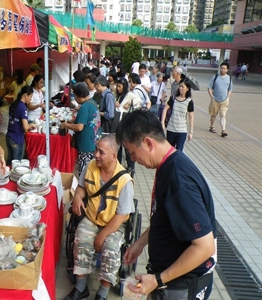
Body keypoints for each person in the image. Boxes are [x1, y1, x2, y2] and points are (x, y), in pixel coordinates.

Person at [116, 110, 217, 300]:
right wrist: (140, 243)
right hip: (168, 279)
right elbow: (165, 217)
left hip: (182, 285)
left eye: (132, 152)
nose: (133, 159)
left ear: (148, 143)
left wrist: (158, 280)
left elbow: (205, 246)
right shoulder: (167, 164)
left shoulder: (178, 180)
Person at [63, 134, 135, 300]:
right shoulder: (90, 166)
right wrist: (78, 197)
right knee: (81, 239)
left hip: (113, 224)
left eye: (101, 152)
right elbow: (81, 187)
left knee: (111, 249)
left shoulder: (125, 181)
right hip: (91, 218)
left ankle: (102, 293)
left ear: (113, 156)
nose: (96, 154)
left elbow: (121, 215)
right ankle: (81, 287)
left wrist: (102, 236)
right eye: (96, 150)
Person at [60, 82, 101, 177]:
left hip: (86, 145)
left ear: (79, 95)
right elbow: (87, 118)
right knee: (91, 170)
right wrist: (73, 120)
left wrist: (66, 125)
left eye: (74, 95)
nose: (75, 98)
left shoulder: (84, 107)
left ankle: (86, 190)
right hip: (93, 141)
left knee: (84, 174)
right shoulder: (92, 102)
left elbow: (79, 127)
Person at [6, 86, 37, 165]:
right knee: (17, 165)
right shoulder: (22, 107)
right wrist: (33, 125)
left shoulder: (14, 104)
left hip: (9, 136)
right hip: (17, 138)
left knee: (10, 162)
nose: (30, 99)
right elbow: (26, 127)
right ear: (25, 95)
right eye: (30, 97)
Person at [161, 79, 194, 151]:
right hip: (171, 129)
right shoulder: (173, 98)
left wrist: (191, 132)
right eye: (180, 86)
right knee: (169, 150)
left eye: (183, 87)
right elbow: (165, 109)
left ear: (187, 89)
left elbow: (191, 117)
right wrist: (162, 122)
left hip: (182, 131)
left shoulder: (189, 101)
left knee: (179, 151)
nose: (180, 88)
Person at [207, 62, 233, 137]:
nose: (222, 70)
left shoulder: (229, 78)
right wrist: (212, 96)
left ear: (227, 70)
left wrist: (228, 96)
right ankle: (212, 126)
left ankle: (223, 130)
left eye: (224, 68)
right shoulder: (215, 77)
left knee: (223, 115)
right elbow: (209, 87)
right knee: (214, 115)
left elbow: (230, 89)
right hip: (215, 99)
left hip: (224, 100)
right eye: (221, 68)